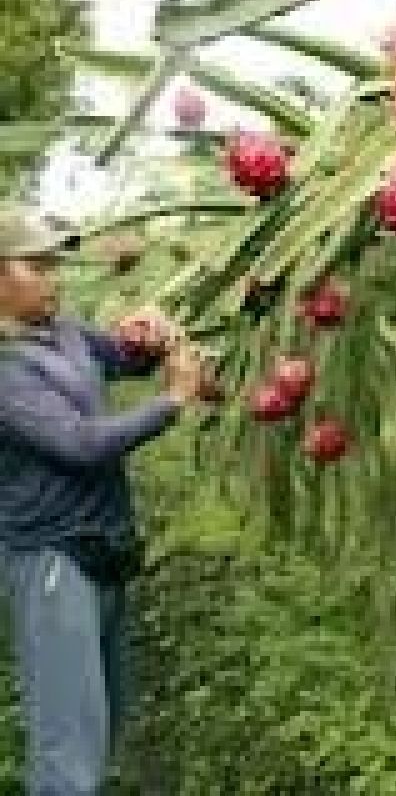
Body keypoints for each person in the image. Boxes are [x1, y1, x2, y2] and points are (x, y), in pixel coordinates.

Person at [0, 210, 209, 795]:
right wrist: (171, 401)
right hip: (51, 562)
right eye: (34, 265)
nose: (52, 278)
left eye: (53, 264)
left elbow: (119, 357)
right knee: (69, 749)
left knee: (106, 727)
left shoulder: (62, 330)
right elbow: (80, 445)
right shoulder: (6, 373)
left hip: (102, 556)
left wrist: (149, 337)